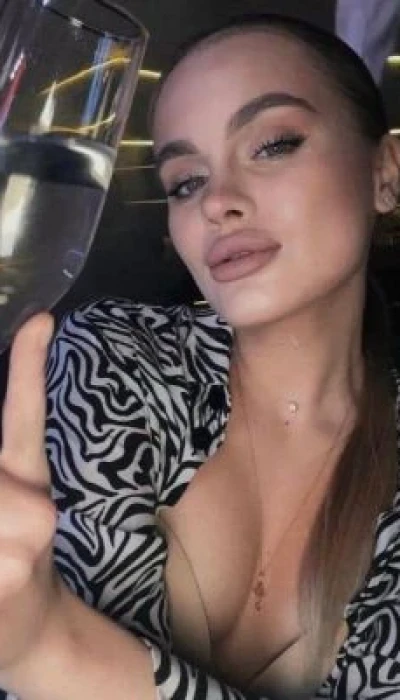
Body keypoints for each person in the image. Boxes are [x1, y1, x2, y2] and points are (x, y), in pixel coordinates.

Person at [1, 12, 400, 700]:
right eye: (185, 180)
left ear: (385, 174)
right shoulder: (115, 361)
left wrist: (49, 650)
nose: (217, 202)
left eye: (273, 144)